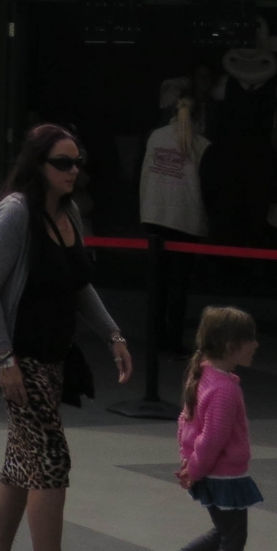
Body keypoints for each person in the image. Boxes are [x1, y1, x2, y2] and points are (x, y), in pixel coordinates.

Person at [0, 125, 131, 551]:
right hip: (21, 359)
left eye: (77, 162)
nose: (72, 170)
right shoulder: (16, 213)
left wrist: (112, 334)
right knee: (52, 462)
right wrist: (4, 360)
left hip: (54, 356)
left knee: (20, 463)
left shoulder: (68, 211)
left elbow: (78, 283)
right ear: (38, 165)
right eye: (62, 162)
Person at [177, 306, 261, 551]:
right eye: (250, 339)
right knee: (233, 539)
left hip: (211, 474)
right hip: (224, 477)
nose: (256, 345)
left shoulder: (204, 376)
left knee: (223, 532)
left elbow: (186, 423)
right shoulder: (224, 390)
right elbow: (212, 439)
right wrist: (194, 469)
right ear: (230, 346)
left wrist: (189, 462)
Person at [141, 92, 209, 352]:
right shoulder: (201, 144)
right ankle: (174, 341)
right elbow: (209, 189)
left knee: (157, 283)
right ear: (200, 116)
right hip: (185, 221)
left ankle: (154, 338)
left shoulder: (155, 137)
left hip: (153, 216)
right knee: (179, 285)